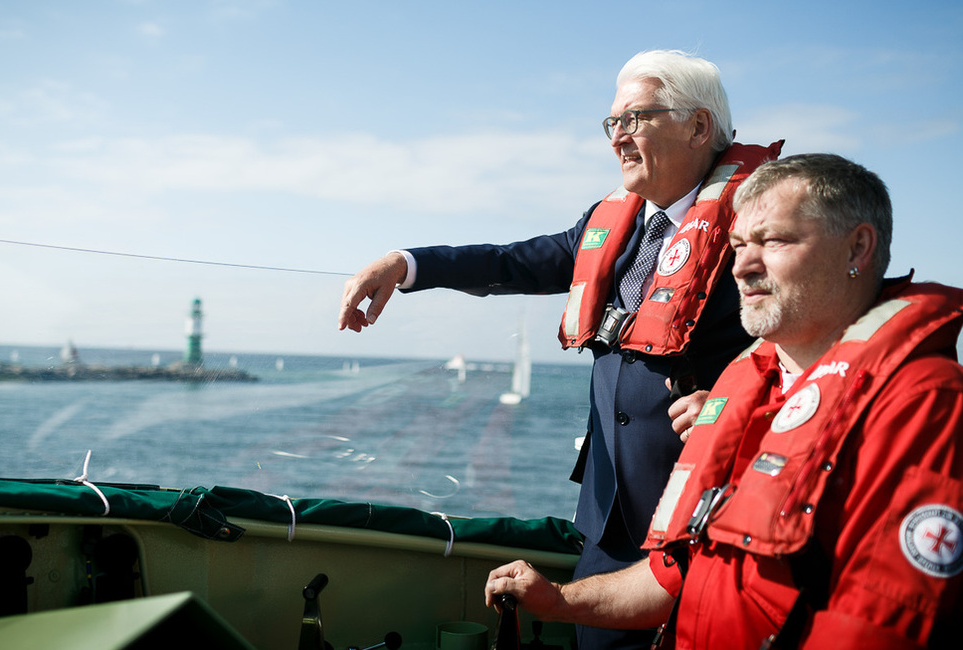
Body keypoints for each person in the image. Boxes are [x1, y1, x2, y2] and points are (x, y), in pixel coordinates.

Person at [338, 49, 781, 648]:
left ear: (699, 126)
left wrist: (736, 403)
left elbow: (812, 346)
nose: (618, 138)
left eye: (635, 119)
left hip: (704, 511)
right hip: (608, 516)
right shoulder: (613, 223)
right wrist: (406, 263)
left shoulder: (763, 228)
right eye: (611, 124)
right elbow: (510, 260)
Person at [484, 153, 963, 648]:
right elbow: (674, 577)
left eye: (773, 241)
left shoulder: (924, 404)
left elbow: (875, 628)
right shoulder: (744, 387)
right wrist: (559, 601)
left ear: (857, 247)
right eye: (737, 245)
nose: (744, 266)